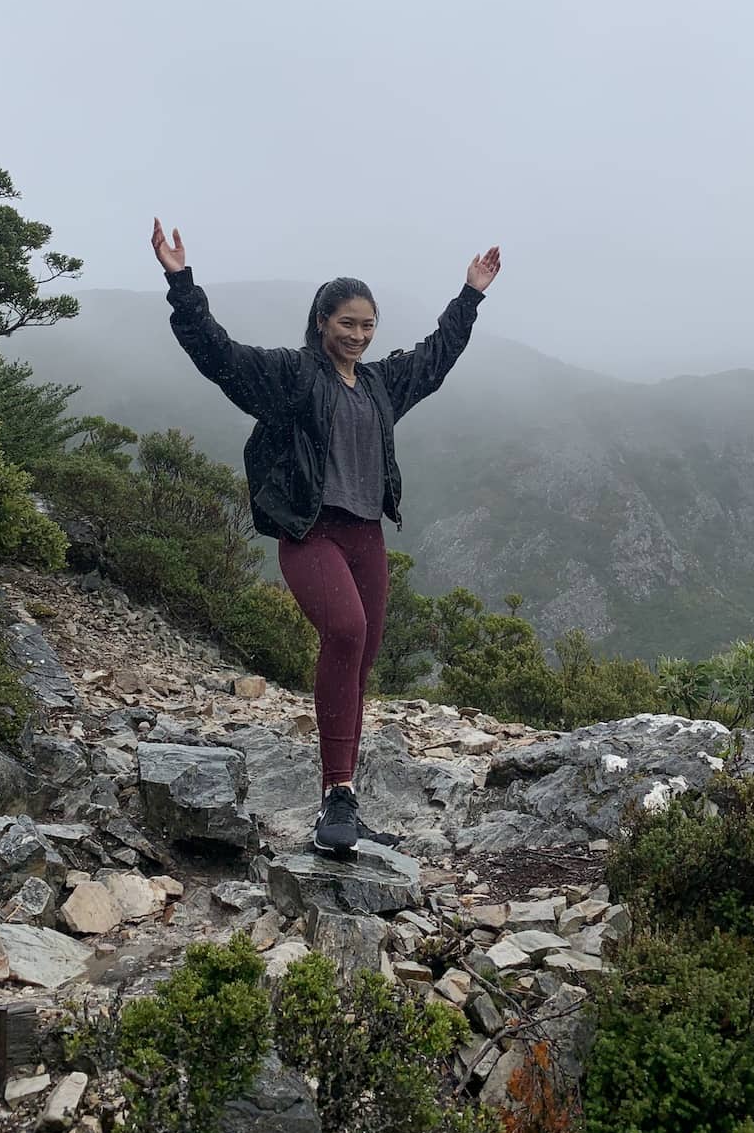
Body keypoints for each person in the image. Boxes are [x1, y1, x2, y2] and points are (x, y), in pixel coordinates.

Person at [151, 218, 501, 855]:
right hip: (310, 532)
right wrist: (181, 282)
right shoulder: (291, 377)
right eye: (347, 324)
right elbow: (218, 355)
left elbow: (434, 359)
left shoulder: (377, 384)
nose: (359, 336)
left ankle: (340, 800)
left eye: (368, 326)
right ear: (321, 322)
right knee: (346, 631)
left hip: (366, 536)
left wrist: (470, 294)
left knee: (359, 664)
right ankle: (338, 795)